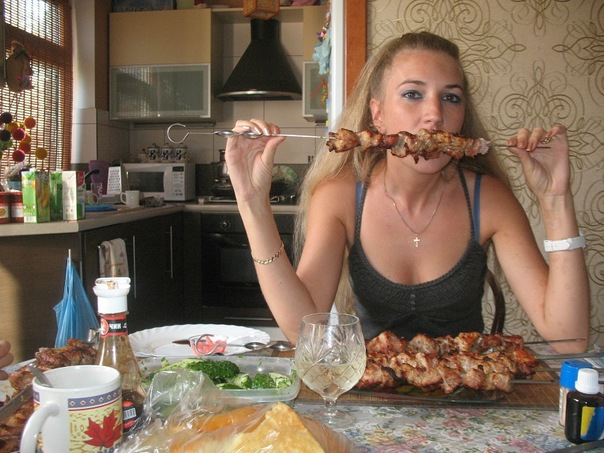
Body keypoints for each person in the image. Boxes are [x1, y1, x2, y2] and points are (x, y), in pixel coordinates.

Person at [224, 31, 590, 353]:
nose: (434, 114)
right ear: (378, 114)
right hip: (370, 395)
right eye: (413, 94)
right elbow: (302, 331)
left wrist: (556, 198)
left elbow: (569, 339)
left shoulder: (488, 200)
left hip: (468, 398)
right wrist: (252, 203)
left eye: (451, 98)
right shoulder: (340, 197)